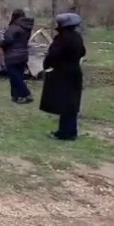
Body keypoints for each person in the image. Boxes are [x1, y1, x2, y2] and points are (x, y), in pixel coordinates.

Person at [39, 13, 86, 141]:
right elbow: (82, 52)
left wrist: (47, 65)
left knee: (64, 104)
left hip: (62, 74)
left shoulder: (61, 38)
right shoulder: (77, 37)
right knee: (72, 104)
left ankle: (64, 133)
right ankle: (71, 132)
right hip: (75, 72)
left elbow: (53, 55)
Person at [2, 9, 35, 104]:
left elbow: (8, 40)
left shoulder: (13, 27)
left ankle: (26, 94)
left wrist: (1, 43)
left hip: (12, 55)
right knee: (18, 75)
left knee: (15, 76)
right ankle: (15, 96)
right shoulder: (26, 27)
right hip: (23, 54)